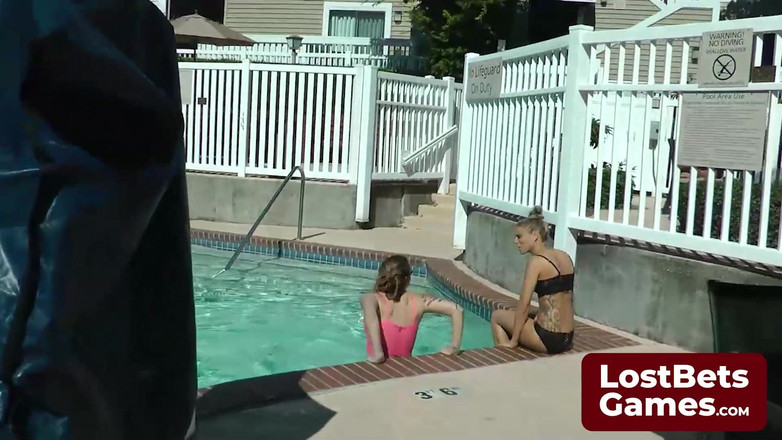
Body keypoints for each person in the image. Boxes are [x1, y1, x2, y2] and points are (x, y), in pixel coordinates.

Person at [491, 206, 575, 355]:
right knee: (529, 315)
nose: (516, 241)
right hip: (568, 338)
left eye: (519, 236)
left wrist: (514, 340)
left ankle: (506, 355)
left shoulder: (536, 262)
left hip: (548, 339)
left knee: (497, 316)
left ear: (535, 236)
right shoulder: (564, 256)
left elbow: (524, 304)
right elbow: (565, 298)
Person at [360, 255, 464, 364]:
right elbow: (457, 309)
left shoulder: (370, 298)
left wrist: (377, 352)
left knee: (370, 313)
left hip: (380, 367)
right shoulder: (419, 301)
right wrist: (454, 346)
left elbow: (372, 319)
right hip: (406, 367)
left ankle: (377, 352)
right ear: (407, 279)